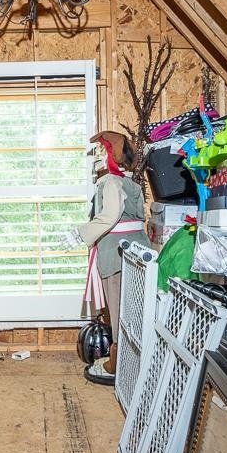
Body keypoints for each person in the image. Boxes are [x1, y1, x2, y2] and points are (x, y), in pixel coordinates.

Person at [71, 131, 151, 385]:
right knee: (134, 307)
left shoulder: (110, 184)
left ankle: (117, 363)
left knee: (118, 310)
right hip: (136, 250)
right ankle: (133, 359)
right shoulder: (132, 184)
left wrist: (80, 234)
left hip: (116, 254)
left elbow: (110, 215)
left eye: (101, 153)